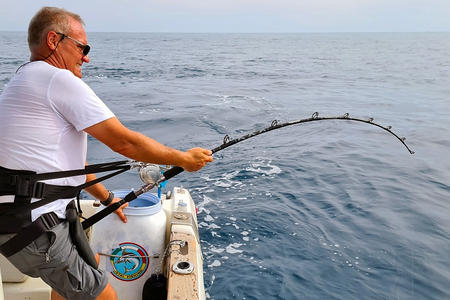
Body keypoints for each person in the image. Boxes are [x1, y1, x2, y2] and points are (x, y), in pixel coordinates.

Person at [0, 6, 213, 300]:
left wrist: (106, 197)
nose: (86, 57)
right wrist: (184, 160)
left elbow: (67, 163)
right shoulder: (57, 80)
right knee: (105, 297)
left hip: (21, 219)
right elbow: (125, 143)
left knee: (92, 265)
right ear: (53, 40)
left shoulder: (24, 80)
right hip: (34, 226)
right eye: (81, 47)